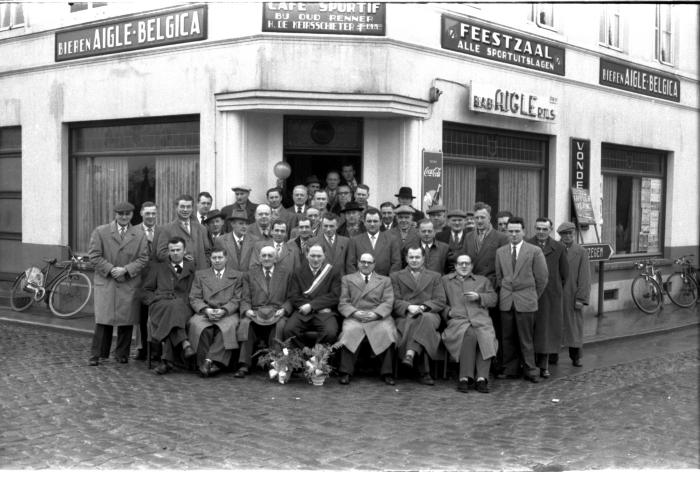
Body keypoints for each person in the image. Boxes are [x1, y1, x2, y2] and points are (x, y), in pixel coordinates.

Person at [88, 201, 149, 366]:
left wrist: (126, 270)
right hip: (106, 280)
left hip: (128, 281)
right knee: (104, 319)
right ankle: (98, 354)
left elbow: (143, 258)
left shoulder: (139, 234)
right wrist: (111, 269)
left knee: (126, 319)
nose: (124, 217)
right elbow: (94, 256)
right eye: (120, 214)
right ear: (115, 214)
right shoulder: (101, 231)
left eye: (127, 214)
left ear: (132, 215)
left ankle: (122, 354)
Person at [494, 217, 548, 383]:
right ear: (506, 232)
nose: (514, 234)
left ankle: (530, 370)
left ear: (524, 231)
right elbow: (499, 277)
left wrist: (531, 296)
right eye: (510, 231)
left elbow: (542, 278)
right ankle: (510, 369)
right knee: (507, 337)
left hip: (526, 300)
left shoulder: (534, 251)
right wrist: (506, 293)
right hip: (506, 300)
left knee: (526, 338)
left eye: (517, 231)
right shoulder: (501, 252)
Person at [336, 252, 397, 386]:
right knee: (349, 331)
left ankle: (387, 373)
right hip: (356, 315)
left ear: (374, 264)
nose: (365, 265)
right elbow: (343, 302)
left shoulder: (385, 280)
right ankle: (346, 372)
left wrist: (376, 314)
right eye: (363, 261)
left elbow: (388, 302)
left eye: (369, 262)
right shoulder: (347, 279)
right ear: (358, 263)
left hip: (378, 317)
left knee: (387, 331)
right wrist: (355, 313)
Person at [441, 254, 498, 393]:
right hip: (458, 321)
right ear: (455, 266)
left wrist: (479, 297)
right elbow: (439, 301)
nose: (464, 266)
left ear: (472, 266)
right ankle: (465, 377)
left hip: (481, 321)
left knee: (485, 337)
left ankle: (481, 379)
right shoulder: (445, 281)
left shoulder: (482, 280)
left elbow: (493, 299)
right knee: (469, 333)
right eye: (461, 264)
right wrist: (449, 312)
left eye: (467, 263)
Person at [464, 202, 509, 376]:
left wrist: (495, 287)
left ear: (490, 217)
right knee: (475, 327)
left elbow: (503, 267)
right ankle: (475, 365)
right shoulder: (469, 237)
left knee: (493, 328)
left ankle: (495, 364)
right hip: (473, 288)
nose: (479, 221)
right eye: (476, 218)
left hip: (491, 288)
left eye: (483, 217)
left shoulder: (500, 238)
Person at [234, 246, 293, 378]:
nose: (266, 258)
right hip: (255, 312)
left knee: (280, 326)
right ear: (259, 258)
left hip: (277, 312)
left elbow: (291, 297)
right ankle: (244, 365)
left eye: (270, 256)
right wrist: (246, 310)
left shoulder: (286, 273)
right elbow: (245, 297)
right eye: (264, 255)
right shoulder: (250, 274)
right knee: (245, 324)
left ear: (276, 258)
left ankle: (276, 364)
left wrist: (284, 309)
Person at [391, 246, 446, 386]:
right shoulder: (396, 276)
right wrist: (408, 307)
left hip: (429, 313)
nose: (414, 260)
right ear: (406, 258)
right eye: (411, 257)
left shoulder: (435, 276)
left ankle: (410, 354)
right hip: (406, 315)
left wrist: (423, 307)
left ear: (423, 258)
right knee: (423, 324)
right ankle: (424, 372)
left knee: (425, 318)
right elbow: (394, 300)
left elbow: (440, 301)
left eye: (417, 257)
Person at [142, 237, 197, 375]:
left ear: (185, 251)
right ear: (168, 252)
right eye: (172, 250)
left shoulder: (192, 268)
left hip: (184, 307)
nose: (175, 253)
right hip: (160, 306)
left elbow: (196, 291)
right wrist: (155, 300)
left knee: (176, 308)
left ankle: (167, 361)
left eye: (178, 250)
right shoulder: (158, 267)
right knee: (173, 309)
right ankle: (185, 343)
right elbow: (145, 291)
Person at [187, 247, 243, 377]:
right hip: (206, 311)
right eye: (214, 258)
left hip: (227, 312)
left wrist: (224, 310)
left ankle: (209, 362)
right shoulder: (200, 275)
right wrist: (206, 309)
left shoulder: (237, 276)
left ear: (226, 258)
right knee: (197, 326)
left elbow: (237, 298)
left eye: (220, 258)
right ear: (210, 259)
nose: (217, 261)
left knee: (228, 328)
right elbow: (194, 297)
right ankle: (207, 364)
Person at [527, 217, 568, 378]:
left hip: (550, 296)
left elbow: (565, 274)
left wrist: (555, 288)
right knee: (530, 330)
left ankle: (543, 366)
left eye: (545, 229)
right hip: (531, 294)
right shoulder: (528, 245)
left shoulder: (558, 248)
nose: (541, 232)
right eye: (538, 228)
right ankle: (529, 364)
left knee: (546, 332)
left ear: (550, 230)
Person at [283, 244, 341, 348]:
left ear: (324, 256)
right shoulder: (298, 271)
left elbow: (335, 296)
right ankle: (300, 359)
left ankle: (317, 361)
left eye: (319, 256)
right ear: (306, 255)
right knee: (289, 330)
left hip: (324, 314)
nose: (315, 259)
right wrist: (310, 307)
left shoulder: (333, 272)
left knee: (330, 332)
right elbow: (293, 295)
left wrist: (312, 306)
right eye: (312, 255)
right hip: (302, 312)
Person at [557, 222, 591, 367]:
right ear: (561, 236)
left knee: (574, 328)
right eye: (565, 234)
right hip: (557, 295)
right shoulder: (555, 249)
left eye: (571, 234)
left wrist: (581, 298)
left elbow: (585, 277)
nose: (568, 237)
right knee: (554, 326)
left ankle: (575, 357)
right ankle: (552, 356)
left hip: (572, 296)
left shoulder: (581, 252)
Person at [134, 201, 161, 361]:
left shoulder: (162, 231)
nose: (150, 216)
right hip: (139, 279)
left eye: (153, 213)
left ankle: (156, 348)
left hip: (157, 278)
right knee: (141, 316)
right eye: (147, 213)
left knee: (156, 314)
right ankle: (142, 347)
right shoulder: (134, 231)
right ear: (142, 213)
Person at [156, 194, 211, 270]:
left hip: (200, 275)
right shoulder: (166, 229)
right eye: (182, 206)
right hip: (178, 275)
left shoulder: (202, 229)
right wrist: (179, 256)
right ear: (176, 208)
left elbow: (208, 252)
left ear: (192, 209)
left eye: (188, 207)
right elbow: (161, 254)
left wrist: (205, 266)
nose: (185, 210)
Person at [346, 208, 401, 277]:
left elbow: (396, 263)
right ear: (364, 222)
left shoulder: (391, 239)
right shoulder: (355, 240)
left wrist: (389, 281)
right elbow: (350, 264)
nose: (372, 224)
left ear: (381, 222)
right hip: (361, 284)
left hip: (385, 282)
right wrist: (357, 282)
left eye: (375, 221)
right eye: (369, 221)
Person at [436, 209, 468, 273]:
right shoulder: (439, 236)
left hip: (465, 272)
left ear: (465, 222)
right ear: (448, 222)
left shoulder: (470, 236)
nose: (457, 223)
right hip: (445, 273)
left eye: (460, 220)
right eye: (454, 220)